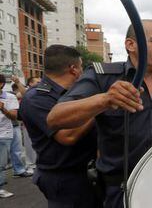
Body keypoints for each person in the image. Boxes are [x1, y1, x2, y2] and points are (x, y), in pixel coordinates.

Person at [47, 20, 152, 208]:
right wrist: (105, 100)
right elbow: (55, 118)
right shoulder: (102, 76)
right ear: (130, 45)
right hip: (121, 190)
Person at [18, 45, 99, 207]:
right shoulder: (37, 98)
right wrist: (101, 105)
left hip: (86, 173)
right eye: (81, 67)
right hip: (63, 178)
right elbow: (67, 136)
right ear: (74, 69)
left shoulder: (73, 94)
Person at [0, 74, 20, 198]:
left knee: (1, 164)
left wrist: (3, 109)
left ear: (1, 84)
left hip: (3, 134)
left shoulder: (10, 97)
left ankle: (0, 188)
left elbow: (14, 116)